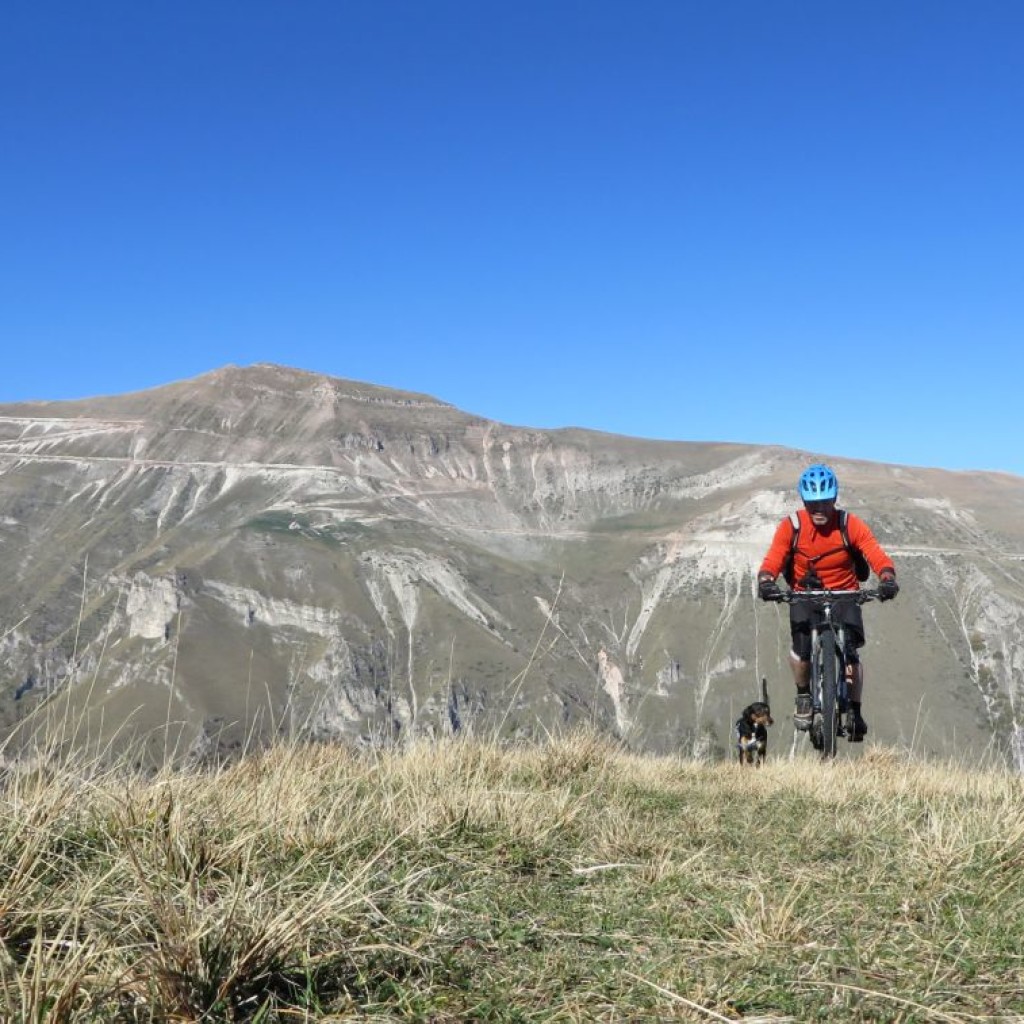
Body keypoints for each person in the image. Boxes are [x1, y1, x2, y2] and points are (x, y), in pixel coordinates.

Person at [756, 464, 899, 740]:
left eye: (825, 502)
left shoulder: (849, 524)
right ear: (804, 503)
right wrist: (766, 580)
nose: (819, 509)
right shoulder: (792, 526)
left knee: (852, 653)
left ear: (834, 499)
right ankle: (804, 695)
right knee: (801, 650)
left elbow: (874, 553)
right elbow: (774, 557)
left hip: (845, 593)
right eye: (813, 504)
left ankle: (855, 711)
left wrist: (887, 577)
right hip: (803, 593)